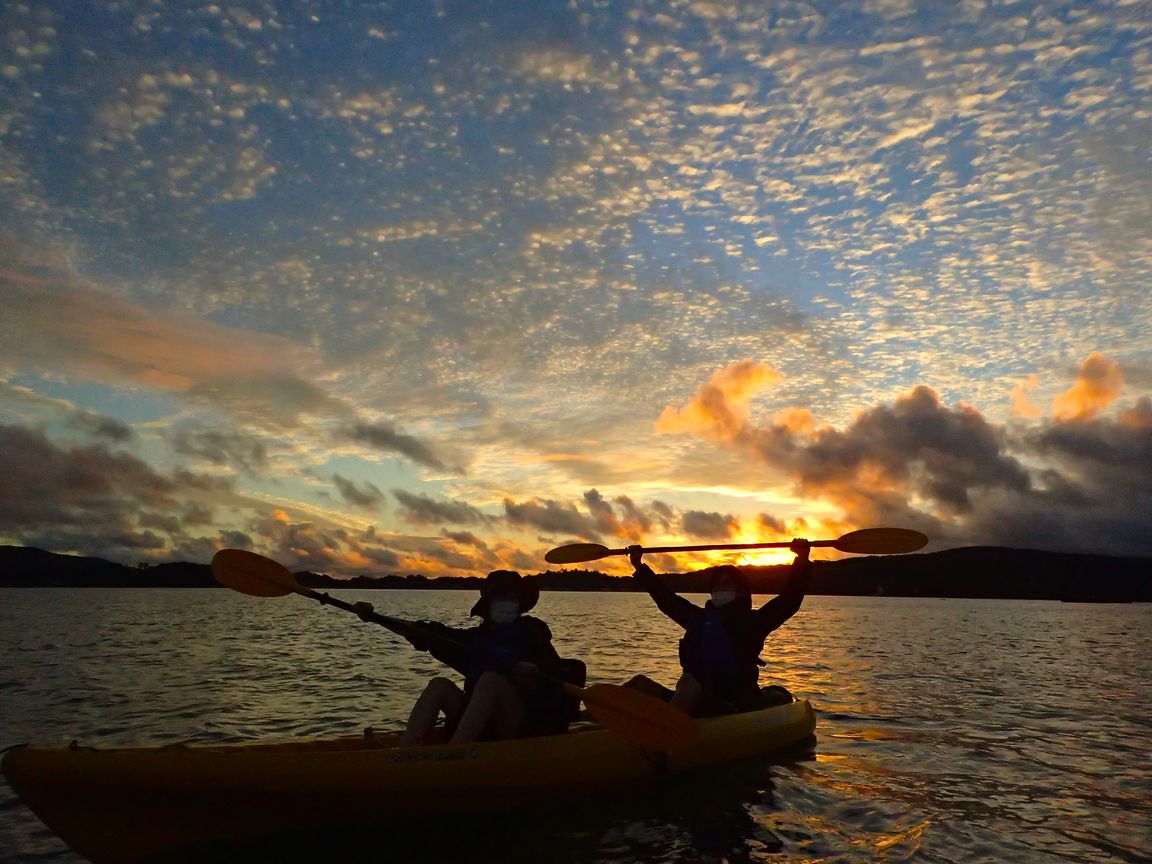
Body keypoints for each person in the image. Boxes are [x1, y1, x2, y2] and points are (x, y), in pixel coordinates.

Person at [352, 570, 580, 746]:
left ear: (520, 603)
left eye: (511, 597)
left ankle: (454, 754)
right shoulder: (475, 639)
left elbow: (550, 677)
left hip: (519, 725)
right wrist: (375, 618)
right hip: (482, 723)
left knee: (491, 679)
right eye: (500, 598)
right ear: (489, 605)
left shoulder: (533, 632)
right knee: (439, 685)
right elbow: (426, 633)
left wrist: (530, 673)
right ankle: (406, 752)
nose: (506, 603)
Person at [625, 539, 811, 717]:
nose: (721, 589)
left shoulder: (754, 623)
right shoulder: (696, 618)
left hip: (733, 704)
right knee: (640, 684)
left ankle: (664, 733)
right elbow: (665, 598)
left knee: (690, 684)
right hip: (694, 701)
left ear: (741, 591)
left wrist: (801, 560)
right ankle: (600, 727)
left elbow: (789, 600)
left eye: (727, 585)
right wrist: (639, 566)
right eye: (718, 585)